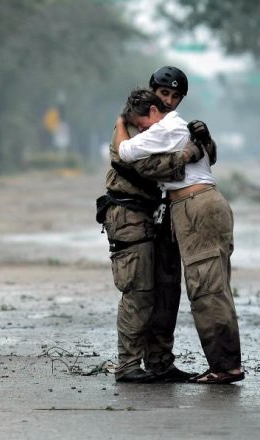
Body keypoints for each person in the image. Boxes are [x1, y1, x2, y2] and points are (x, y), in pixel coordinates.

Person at [115, 85, 244, 384]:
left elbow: (125, 152)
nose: (141, 131)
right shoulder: (180, 128)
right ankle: (216, 364)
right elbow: (206, 156)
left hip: (196, 206)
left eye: (141, 124)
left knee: (207, 290)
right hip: (191, 208)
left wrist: (121, 124)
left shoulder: (165, 126)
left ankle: (225, 367)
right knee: (205, 287)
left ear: (151, 113)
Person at [97, 67, 216, 383]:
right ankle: (128, 365)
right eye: (164, 94)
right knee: (139, 290)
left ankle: (160, 362)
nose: (169, 101)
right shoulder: (132, 123)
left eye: (176, 97)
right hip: (130, 215)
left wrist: (204, 141)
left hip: (162, 216)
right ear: (152, 93)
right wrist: (185, 155)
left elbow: (207, 159)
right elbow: (141, 166)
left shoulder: (170, 127)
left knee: (167, 291)